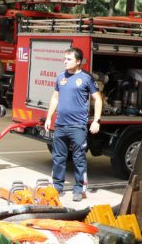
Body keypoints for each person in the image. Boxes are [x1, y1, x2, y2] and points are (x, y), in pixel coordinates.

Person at [44, 47, 103, 201]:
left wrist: (96, 120)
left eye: (69, 59)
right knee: (58, 157)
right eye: (64, 58)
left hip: (77, 126)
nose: (65, 61)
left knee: (79, 158)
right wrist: (49, 117)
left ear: (78, 62)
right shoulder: (60, 77)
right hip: (61, 125)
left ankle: (79, 189)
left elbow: (97, 99)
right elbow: (55, 97)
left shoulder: (86, 78)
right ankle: (57, 186)